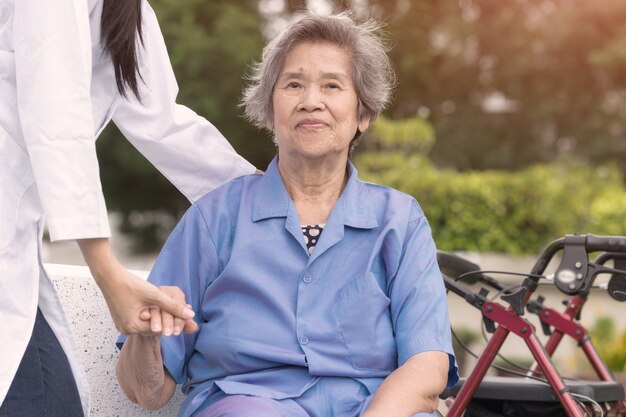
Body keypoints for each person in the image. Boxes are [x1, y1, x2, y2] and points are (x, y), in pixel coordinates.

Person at [116, 12, 458, 417]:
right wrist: (146, 338)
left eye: (332, 85)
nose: (311, 101)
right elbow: (147, 393)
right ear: (268, 111)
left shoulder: (399, 220)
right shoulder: (215, 219)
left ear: (363, 114)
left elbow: (428, 363)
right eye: (294, 84)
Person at [0, 0, 256, 415]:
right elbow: (56, 116)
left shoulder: (129, 10)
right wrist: (107, 271)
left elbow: (163, 122)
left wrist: (270, 196)